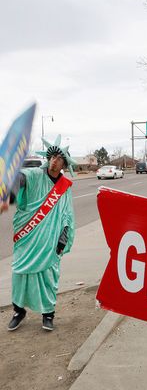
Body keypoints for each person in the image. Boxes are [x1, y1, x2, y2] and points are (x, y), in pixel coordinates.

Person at [2, 135, 76, 331]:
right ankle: (19, 311)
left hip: (50, 240)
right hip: (27, 237)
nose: (54, 160)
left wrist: (64, 235)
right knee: (19, 272)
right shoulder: (36, 174)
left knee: (48, 276)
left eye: (58, 158)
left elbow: (67, 214)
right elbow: (22, 178)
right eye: (51, 157)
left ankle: (48, 314)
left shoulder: (65, 187)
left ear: (64, 163)